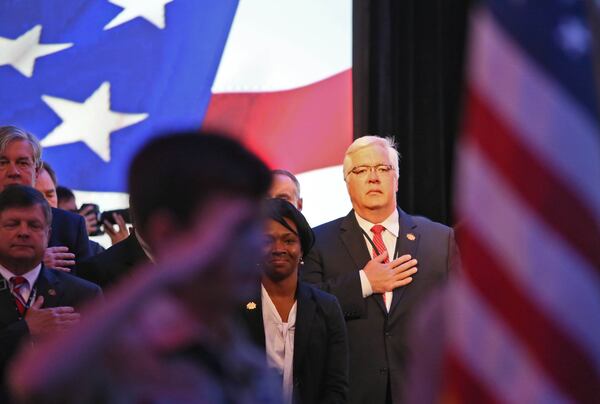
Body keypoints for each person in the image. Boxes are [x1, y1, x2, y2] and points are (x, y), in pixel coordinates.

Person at [9, 132, 280, 403]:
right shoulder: (130, 355)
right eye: (237, 230)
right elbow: (34, 378)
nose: (259, 245)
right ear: (168, 234)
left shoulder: (237, 351)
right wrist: (166, 270)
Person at [302, 136, 459, 403]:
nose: (373, 177)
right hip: (351, 393)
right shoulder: (317, 243)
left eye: (383, 169)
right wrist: (364, 283)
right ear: (347, 182)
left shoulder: (441, 240)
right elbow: (306, 312)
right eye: (361, 170)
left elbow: (462, 315)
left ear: (396, 179)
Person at [240, 198, 348, 403]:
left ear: (302, 250)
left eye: (288, 240)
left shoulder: (326, 307)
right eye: (267, 241)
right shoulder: (235, 306)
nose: (278, 248)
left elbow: (336, 386)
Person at [0, 185, 101, 401]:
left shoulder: (85, 296)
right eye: (12, 224)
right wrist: (25, 330)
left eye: (34, 225)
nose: (24, 232)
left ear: (48, 234)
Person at [0, 126, 91, 272]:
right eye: (2, 163)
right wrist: (33, 266)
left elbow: (89, 291)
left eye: (22, 163)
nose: (13, 172)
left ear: (36, 171)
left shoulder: (70, 226)